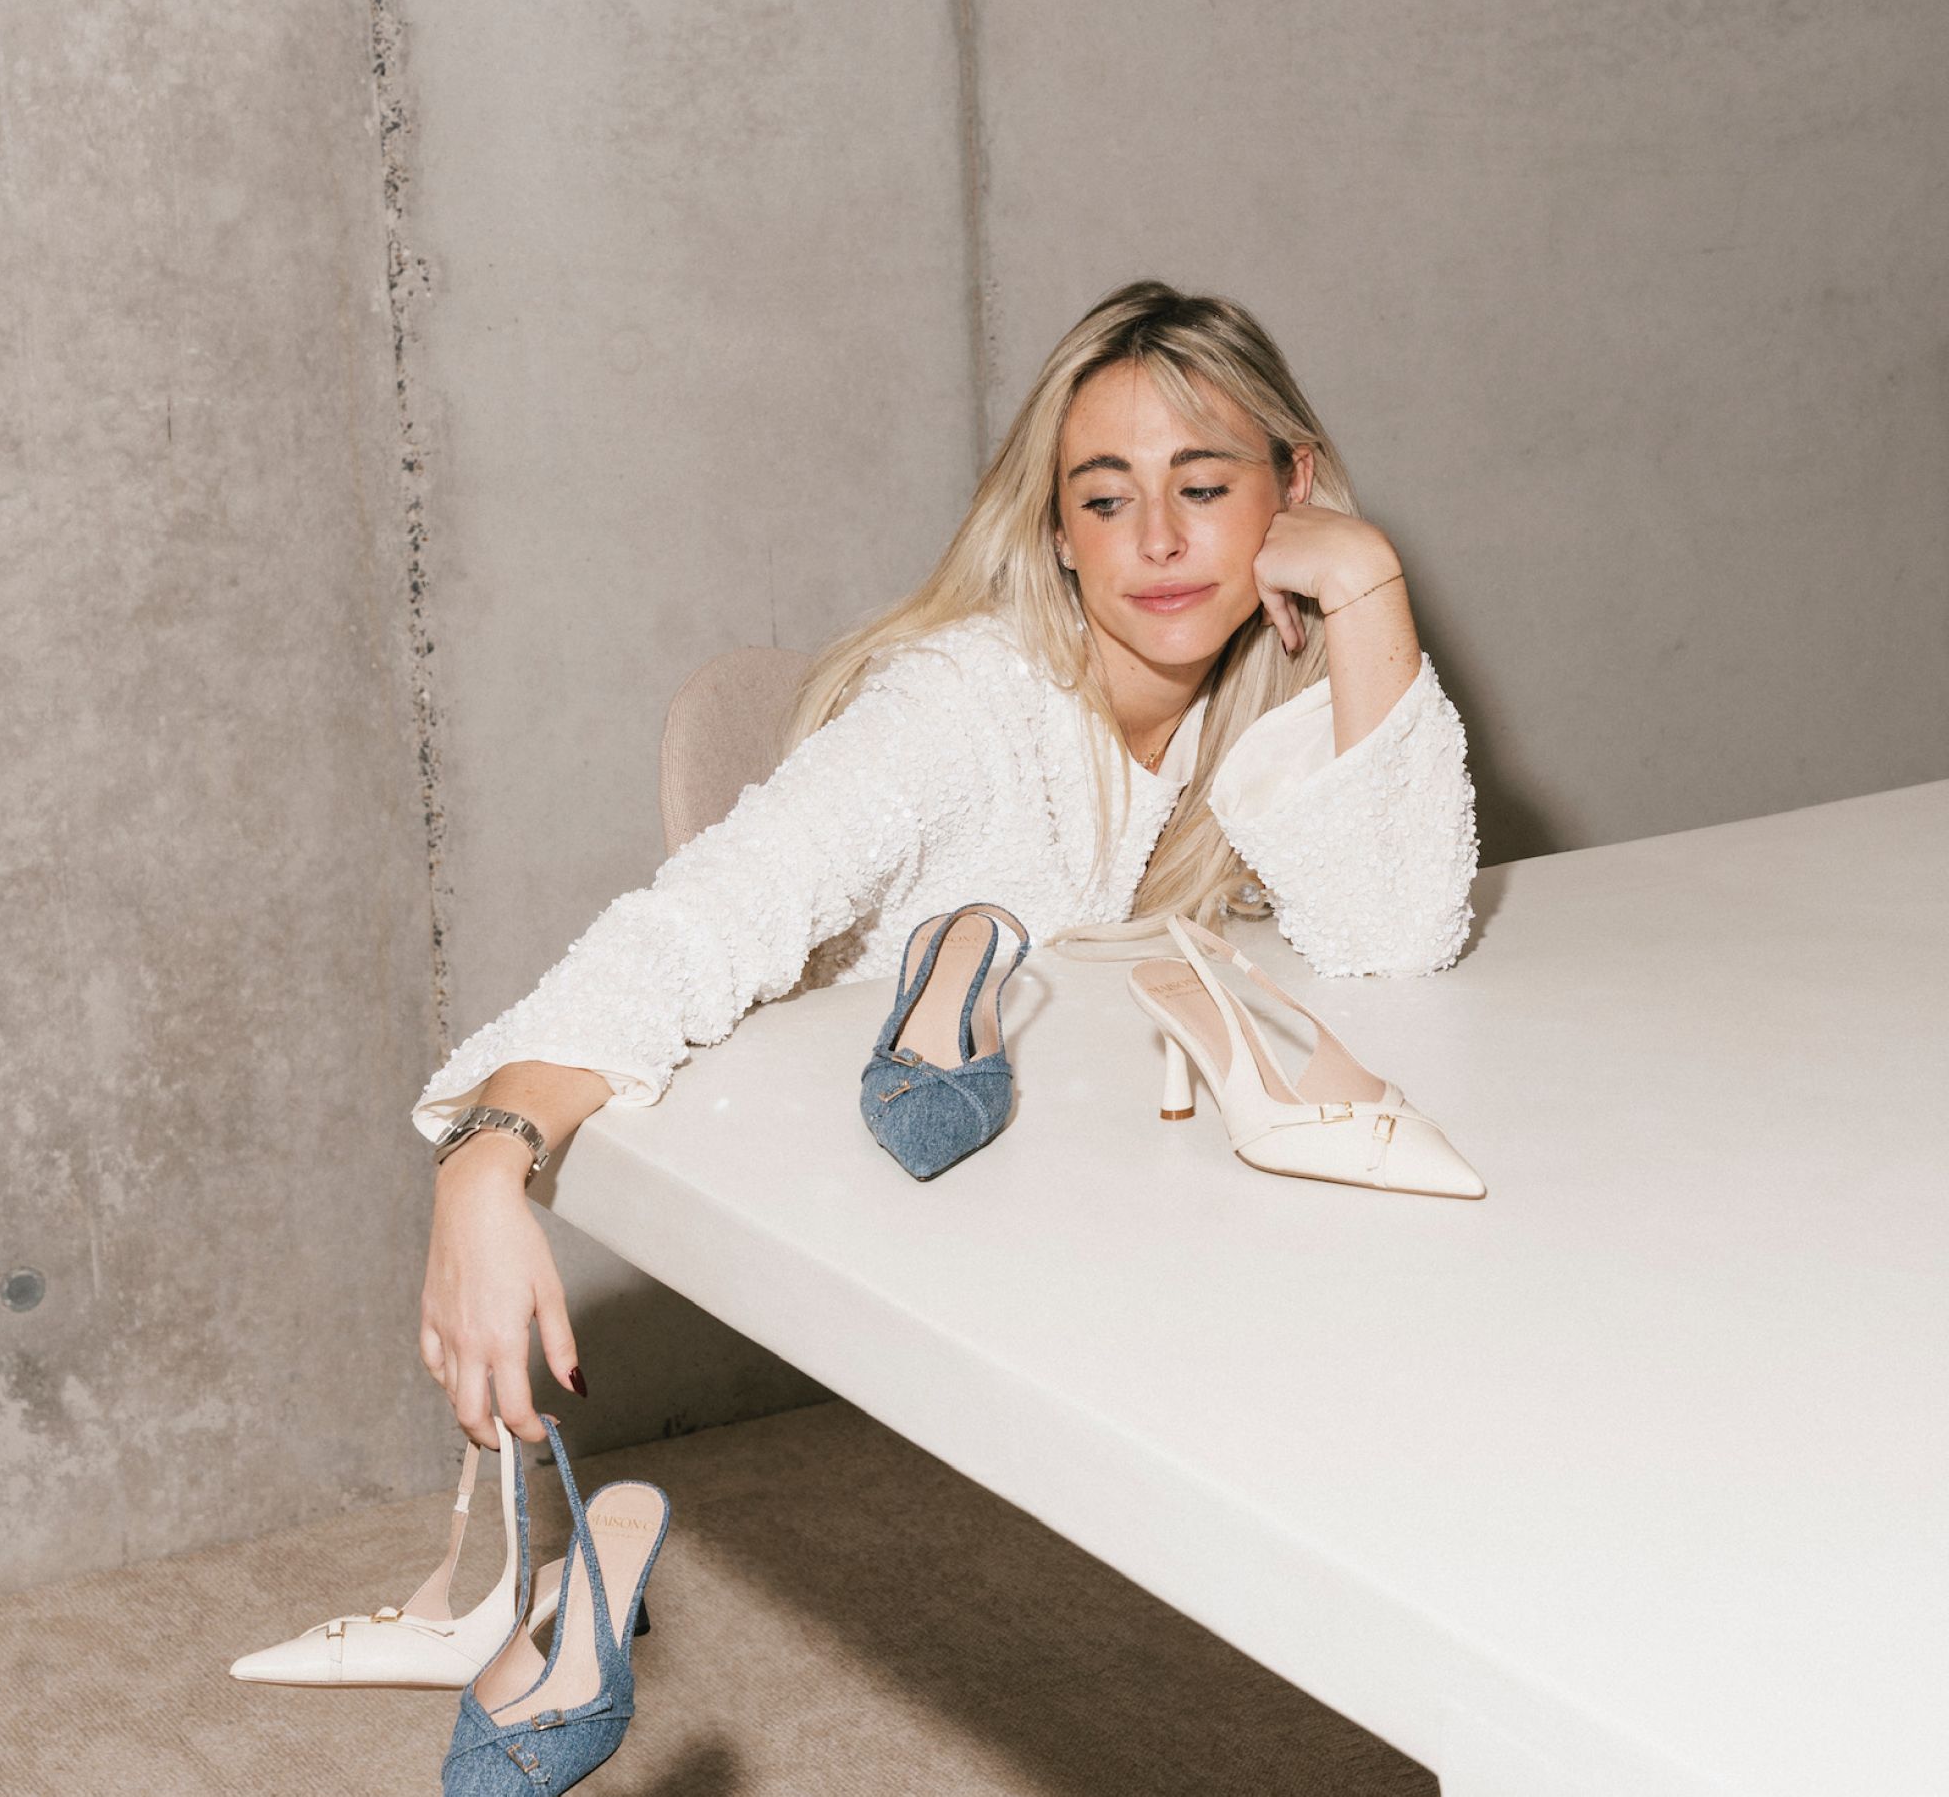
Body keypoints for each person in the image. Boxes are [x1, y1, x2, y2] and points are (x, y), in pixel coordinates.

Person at [414, 280, 1478, 1448]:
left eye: (1204, 487)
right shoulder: (962, 704)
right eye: (1105, 499)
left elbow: (1393, 934)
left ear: (1292, 486)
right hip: (887, 1208)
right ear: (1058, 533)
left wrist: (1364, 580)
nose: (1157, 540)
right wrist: (488, 1154)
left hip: (1102, 1203)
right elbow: (710, 915)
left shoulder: (1262, 686)